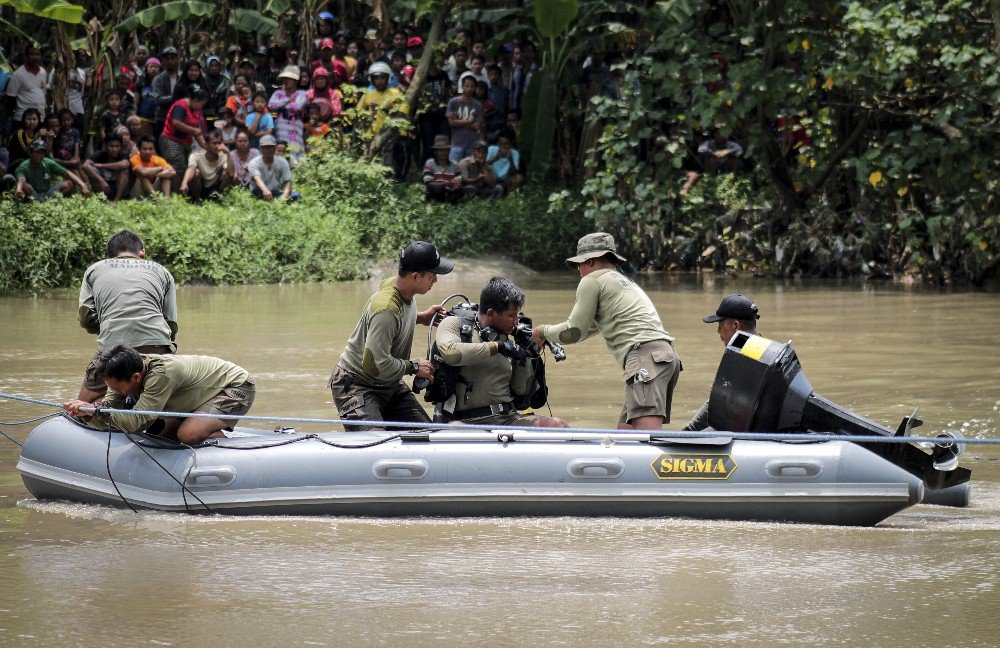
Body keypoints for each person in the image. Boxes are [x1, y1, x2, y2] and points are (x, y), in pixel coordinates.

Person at [531, 233, 680, 430]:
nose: (579, 270)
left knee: (646, 435)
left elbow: (573, 331)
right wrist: (550, 334)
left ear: (591, 261)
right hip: (665, 357)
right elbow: (588, 328)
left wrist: (541, 332)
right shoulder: (622, 281)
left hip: (645, 358)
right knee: (625, 433)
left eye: (579, 264)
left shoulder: (592, 280)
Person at [327, 241, 452, 431]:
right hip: (357, 385)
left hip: (389, 384)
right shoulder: (386, 308)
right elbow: (374, 364)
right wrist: (414, 366)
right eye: (433, 275)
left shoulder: (399, 287)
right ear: (416, 276)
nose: (435, 280)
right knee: (376, 444)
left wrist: (421, 317)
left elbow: (392, 321)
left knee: (428, 436)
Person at [436, 276, 568, 428]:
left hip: (508, 419)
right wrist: (498, 346)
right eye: (511, 316)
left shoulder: (508, 336)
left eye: (517, 315)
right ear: (491, 313)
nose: (516, 321)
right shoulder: (454, 324)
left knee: (558, 425)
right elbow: (451, 353)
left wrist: (528, 352)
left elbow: (521, 390)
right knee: (454, 432)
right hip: (465, 422)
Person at [63, 345, 255, 445]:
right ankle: (200, 423)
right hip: (196, 394)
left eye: (119, 389)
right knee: (162, 437)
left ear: (136, 377)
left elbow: (135, 422)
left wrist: (95, 412)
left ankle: (222, 448)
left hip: (234, 386)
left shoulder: (161, 374)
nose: (116, 392)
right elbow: (111, 411)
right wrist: (87, 415)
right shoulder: (122, 374)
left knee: (188, 434)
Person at [74, 230, 178, 402]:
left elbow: (86, 319)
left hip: (112, 348)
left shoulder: (94, 270)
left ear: (111, 256)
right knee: (161, 400)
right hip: (157, 347)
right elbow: (171, 323)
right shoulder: (162, 272)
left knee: (81, 407)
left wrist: (109, 325)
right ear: (142, 254)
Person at [682, 295, 761, 431]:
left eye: (720, 325)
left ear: (735, 326)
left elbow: (718, 403)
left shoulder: (744, 358)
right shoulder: (767, 351)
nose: (718, 331)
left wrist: (687, 432)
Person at [160, 88, 209, 191]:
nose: (201, 107)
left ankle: (186, 194)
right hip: (171, 140)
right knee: (177, 169)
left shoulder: (195, 111)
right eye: (202, 104)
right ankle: (174, 197)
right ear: (195, 100)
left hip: (186, 142)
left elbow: (197, 132)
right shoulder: (181, 105)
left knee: (190, 168)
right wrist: (194, 130)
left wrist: (206, 146)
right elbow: (176, 123)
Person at [13, 139, 89, 201]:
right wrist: (19, 189)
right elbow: (21, 179)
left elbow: (67, 173)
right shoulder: (23, 166)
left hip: (48, 193)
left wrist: (83, 185)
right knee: (25, 186)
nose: (40, 155)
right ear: (30, 152)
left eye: (42, 153)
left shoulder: (48, 162)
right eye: (37, 152)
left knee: (69, 183)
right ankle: (33, 204)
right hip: (33, 194)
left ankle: (53, 203)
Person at [269, 65, 308, 162]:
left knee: (296, 150)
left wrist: (282, 104)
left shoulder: (302, 94)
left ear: (295, 81)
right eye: (285, 78)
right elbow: (271, 105)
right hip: (280, 127)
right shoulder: (277, 93)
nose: (286, 81)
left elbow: (297, 107)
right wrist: (288, 100)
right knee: (281, 150)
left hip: (295, 127)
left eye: (289, 79)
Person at [180, 130, 233, 200]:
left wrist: (228, 153)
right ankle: (198, 200)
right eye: (214, 143)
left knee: (226, 173)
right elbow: (191, 169)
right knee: (196, 173)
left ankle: (220, 198)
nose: (217, 146)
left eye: (219, 143)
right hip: (201, 186)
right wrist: (184, 182)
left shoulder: (224, 156)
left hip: (217, 186)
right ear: (206, 145)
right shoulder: (196, 156)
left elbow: (231, 174)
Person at [248, 134, 297, 200]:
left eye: (271, 147)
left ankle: (278, 200)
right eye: (266, 147)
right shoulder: (254, 163)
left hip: (275, 191)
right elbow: (257, 179)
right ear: (260, 148)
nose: (269, 149)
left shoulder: (283, 162)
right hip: (259, 191)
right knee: (257, 193)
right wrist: (265, 190)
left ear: (275, 148)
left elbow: (288, 181)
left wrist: (285, 195)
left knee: (296, 195)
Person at [446, 75, 484, 163]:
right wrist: (470, 121)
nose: (469, 88)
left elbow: (477, 126)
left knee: (471, 171)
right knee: (454, 171)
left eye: (472, 86)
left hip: (472, 143)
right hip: (456, 142)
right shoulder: (453, 102)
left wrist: (458, 121)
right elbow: (451, 122)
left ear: (475, 87)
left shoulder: (478, 105)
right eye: (467, 86)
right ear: (462, 86)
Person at [5, 45, 46, 123]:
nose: (35, 57)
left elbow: (43, 94)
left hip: (40, 118)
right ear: (26, 56)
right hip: (23, 118)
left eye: (38, 55)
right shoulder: (18, 74)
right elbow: (11, 98)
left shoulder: (43, 72)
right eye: (32, 55)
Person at [83, 133, 130, 201]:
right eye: (111, 146)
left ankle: (117, 201)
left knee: (125, 171)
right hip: (103, 188)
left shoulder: (124, 154)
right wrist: (101, 180)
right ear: (106, 146)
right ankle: (104, 200)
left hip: (118, 189)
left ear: (121, 146)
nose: (114, 149)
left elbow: (125, 164)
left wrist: (102, 165)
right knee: (92, 170)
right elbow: (85, 165)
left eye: (117, 146)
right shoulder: (99, 154)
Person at [422, 134, 462, 203]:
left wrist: (457, 185)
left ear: (449, 151)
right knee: (438, 189)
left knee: (460, 190)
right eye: (440, 150)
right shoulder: (430, 163)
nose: (443, 152)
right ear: (435, 152)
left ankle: (451, 201)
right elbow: (429, 184)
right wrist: (448, 183)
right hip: (434, 192)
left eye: (445, 150)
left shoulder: (455, 165)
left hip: (449, 191)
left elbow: (458, 181)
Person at [151, 46, 180, 135]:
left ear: (177, 59)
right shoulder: (158, 79)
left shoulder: (183, 77)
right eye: (167, 59)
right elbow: (158, 99)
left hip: (181, 118)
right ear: (163, 61)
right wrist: (175, 98)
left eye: (172, 58)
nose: (170, 61)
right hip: (163, 118)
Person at [486, 129, 524, 194]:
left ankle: (508, 194)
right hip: (492, 178)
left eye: (506, 144)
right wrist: (496, 158)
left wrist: (510, 159)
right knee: (486, 173)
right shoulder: (491, 149)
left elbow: (515, 172)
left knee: (519, 177)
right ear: (498, 143)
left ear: (511, 144)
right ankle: (492, 191)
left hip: (505, 180)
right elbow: (485, 165)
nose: (503, 146)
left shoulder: (515, 153)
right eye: (501, 144)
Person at [51, 108, 82, 174]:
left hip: (72, 158)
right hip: (62, 160)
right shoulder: (59, 132)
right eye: (63, 121)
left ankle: (86, 183)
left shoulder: (75, 132)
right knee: (75, 171)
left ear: (72, 120)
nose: (66, 123)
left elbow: (77, 146)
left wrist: (76, 158)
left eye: (68, 120)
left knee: (80, 170)